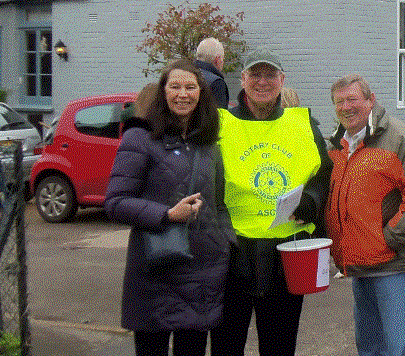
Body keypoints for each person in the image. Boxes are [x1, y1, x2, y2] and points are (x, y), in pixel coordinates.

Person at [211, 51, 331, 356]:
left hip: (286, 254)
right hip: (232, 252)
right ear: (243, 80)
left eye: (270, 75)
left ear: (282, 80)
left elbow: (324, 174)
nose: (262, 82)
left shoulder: (303, 125)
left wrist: (312, 200)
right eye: (255, 74)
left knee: (279, 345)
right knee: (226, 345)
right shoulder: (220, 124)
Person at [104, 62, 228, 356]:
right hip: (156, 271)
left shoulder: (208, 144)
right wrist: (167, 215)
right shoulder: (140, 138)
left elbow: (220, 204)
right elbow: (116, 202)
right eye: (175, 87)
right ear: (163, 92)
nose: (183, 94)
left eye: (190, 87)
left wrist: (225, 243)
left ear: (201, 94)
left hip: (201, 273)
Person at [326, 74, 405, 356]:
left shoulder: (399, 138)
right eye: (339, 102)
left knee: (398, 349)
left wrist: (389, 238)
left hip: (393, 265)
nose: (346, 107)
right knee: (369, 348)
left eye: (352, 99)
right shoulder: (340, 145)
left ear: (371, 100)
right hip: (359, 265)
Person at [194, 37, 230, 109]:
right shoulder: (216, 83)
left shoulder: (186, 75)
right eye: (222, 59)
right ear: (217, 59)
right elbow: (219, 114)